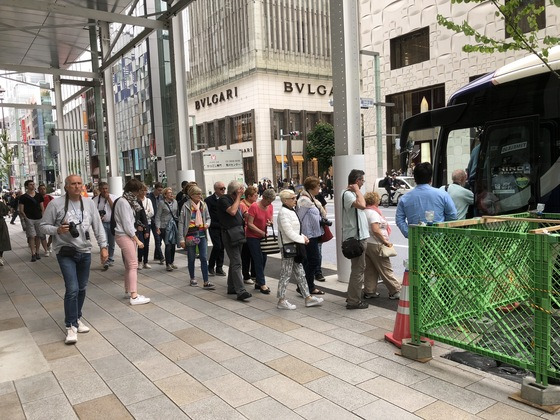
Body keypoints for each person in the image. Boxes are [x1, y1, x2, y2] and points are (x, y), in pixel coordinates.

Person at [40, 175, 108, 344]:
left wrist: (104, 246)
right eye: (73, 184)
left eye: (79, 184)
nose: (77, 187)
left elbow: (98, 227)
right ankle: (70, 326)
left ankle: (77, 318)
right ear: (66, 187)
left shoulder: (89, 203)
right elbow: (42, 226)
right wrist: (57, 230)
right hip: (66, 252)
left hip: (84, 251)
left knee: (82, 288)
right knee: (72, 289)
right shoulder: (56, 204)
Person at [276, 190, 324, 310]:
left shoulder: (289, 210)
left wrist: (302, 237)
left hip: (294, 246)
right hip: (289, 247)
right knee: (286, 274)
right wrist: (302, 239)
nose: (295, 200)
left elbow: (295, 229)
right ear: (285, 200)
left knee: (301, 273)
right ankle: (281, 300)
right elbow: (288, 232)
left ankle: (308, 297)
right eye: (292, 198)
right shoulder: (283, 213)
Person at [114, 179, 151, 305]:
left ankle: (128, 291)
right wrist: (137, 239)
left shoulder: (126, 201)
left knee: (129, 265)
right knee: (133, 265)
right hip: (125, 235)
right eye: (139, 190)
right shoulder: (124, 203)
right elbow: (127, 224)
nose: (140, 193)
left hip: (124, 235)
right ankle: (134, 296)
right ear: (134, 190)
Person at [396, 162, 457, 238]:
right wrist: (443, 231)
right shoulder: (443, 195)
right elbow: (453, 216)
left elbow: (399, 220)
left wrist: (410, 234)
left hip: (416, 243)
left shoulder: (404, 199)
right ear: (431, 178)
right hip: (439, 242)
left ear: (414, 179)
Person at [363, 192, 401, 299]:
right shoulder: (373, 213)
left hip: (366, 243)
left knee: (370, 269)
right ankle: (396, 290)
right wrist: (385, 241)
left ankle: (369, 291)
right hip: (376, 244)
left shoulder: (364, 212)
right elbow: (376, 230)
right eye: (378, 199)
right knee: (385, 268)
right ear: (375, 201)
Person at [218, 180, 252, 301]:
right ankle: (241, 291)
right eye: (241, 190)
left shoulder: (234, 200)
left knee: (234, 262)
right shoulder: (223, 199)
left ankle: (232, 287)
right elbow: (232, 212)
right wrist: (238, 197)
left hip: (237, 232)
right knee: (237, 262)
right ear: (235, 191)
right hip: (229, 234)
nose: (243, 192)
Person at [342, 169, 370, 310]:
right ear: (357, 181)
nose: (363, 183)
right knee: (358, 270)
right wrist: (358, 191)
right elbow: (362, 205)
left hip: (360, 236)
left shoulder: (351, 194)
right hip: (356, 238)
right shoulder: (347, 194)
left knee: (359, 269)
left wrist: (357, 191)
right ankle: (353, 301)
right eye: (362, 181)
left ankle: (352, 296)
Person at [178, 185, 215, 289]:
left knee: (203, 257)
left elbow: (208, 217)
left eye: (200, 193)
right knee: (191, 258)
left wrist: (207, 223)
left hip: (202, 233)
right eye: (197, 194)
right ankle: (192, 278)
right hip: (190, 234)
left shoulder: (203, 205)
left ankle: (206, 281)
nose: (200, 196)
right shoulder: (186, 206)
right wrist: (181, 238)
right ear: (191, 195)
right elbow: (181, 223)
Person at [296, 177, 326, 296]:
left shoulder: (312, 199)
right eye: (318, 186)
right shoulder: (304, 201)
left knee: (310, 261)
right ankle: (305, 285)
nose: (319, 188)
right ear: (312, 188)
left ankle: (308, 286)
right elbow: (299, 218)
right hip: (307, 235)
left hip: (313, 233)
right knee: (313, 260)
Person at [246, 188, 276, 294]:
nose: (269, 203)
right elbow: (249, 224)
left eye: (271, 201)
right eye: (268, 201)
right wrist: (261, 232)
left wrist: (270, 223)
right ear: (263, 197)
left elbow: (270, 218)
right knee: (258, 259)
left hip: (263, 236)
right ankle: (262, 284)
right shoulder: (254, 206)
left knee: (264, 258)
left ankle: (258, 281)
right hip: (252, 236)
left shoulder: (270, 206)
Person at [93, 181, 118, 270]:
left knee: (111, 242)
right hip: (102, 223)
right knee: (103, 242)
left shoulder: (114, 198)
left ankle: (110, 258)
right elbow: (94, 213)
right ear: (99, 189)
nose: (104, 190)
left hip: (112, 223)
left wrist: (109, 199)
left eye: (106, 188)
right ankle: (105, 260)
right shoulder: (95, 200)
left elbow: (115, 209)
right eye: (102, 189)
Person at [19, 180, 45, 261]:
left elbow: (42, 207)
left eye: (33, 184)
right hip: (29, 218)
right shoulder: (23, 197)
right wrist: (25, 217)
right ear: (26, 186)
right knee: (31, 236)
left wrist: (43, 216)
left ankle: (37, 252)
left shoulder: (39, 196)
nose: (32, 186)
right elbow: (21, 209)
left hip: (39, 218)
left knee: (38, 235)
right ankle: (33, 253)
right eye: (30, 184)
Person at [205, 181, 227, 277]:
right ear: (216, 189)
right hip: (213, 226)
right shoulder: (209, 200)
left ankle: (219, 267)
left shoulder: (225, 199)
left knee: (222, 247)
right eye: (221, 189)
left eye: (224, 188)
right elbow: (206, 214)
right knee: (217, 246)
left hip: (223, 226)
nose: (223, 190)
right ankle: (210, 265)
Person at [155, 187, 179, 271]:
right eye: (169, 193)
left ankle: (172, 262)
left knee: (173, 245)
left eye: (171, 192)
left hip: (173, 226)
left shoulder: (175, 202)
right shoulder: (162, 203)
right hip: (164, 226)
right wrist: (157, 227)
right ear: (165, 195)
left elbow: (177, 214)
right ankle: (168, 264)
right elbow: (158, 216)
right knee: (168, 245)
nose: (171, 194)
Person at [240, 186, 257, 284]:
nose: (256, 196)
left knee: (255, 254)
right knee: (246, 255)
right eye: (255, 195)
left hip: (255, 231)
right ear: (249, 196)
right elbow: (247, 216)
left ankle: (254, 274)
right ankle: (246, 275)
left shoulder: (255, 204)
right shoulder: (242, 205)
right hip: (246, 232)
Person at [136, 184, 154, 270]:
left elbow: (152, 213)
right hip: (139, 225)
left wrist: (144, 212)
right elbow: (137, 214)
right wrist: (146, 212)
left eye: (145, 190)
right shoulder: (137, 201)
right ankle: (139, 260)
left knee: (146, 243)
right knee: (141, 243)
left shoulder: (148, 201)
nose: (144, 192)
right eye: (142, 190)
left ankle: (145, 261)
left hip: (148, 223)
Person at [147, 182, 165, 264]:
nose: (160, 192)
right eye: (158, 190)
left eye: (161, 190)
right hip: (149, 220)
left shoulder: (161, 197)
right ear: (155, 189)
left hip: (157, 221)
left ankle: (159, 256)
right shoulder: (149, 197)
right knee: (148, 240)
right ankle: (159, 256)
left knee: (158, 239)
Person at [38, 184, 54, 256]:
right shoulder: (36, 198)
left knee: (52, 234)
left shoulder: (50, 198)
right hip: (40, 218)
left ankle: (48, 244)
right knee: (42, 235)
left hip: (50, 218)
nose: (42, 190)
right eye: (41, 189)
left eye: (44, 189)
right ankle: (46, 250)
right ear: (38, 190)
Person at [0, 198, 11, 266]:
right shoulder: (1, 204)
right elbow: (7, 211)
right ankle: (0, 257)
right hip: (1, 223)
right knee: (3, 240)